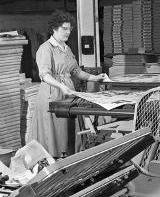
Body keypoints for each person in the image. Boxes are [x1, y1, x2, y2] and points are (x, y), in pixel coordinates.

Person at [34, 10, 106, 157]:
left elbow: (76, 71)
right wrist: (60, 86)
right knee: (54, 131)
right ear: (54, 29)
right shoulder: (46, 48)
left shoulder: (67, 48)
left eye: (70, 29)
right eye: (64, 29)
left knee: (69, 127)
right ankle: (54, 160)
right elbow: (44, 75)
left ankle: (69, 157)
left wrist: (95, 77)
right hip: (52, 92)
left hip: (67, 91)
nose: (68, 32)